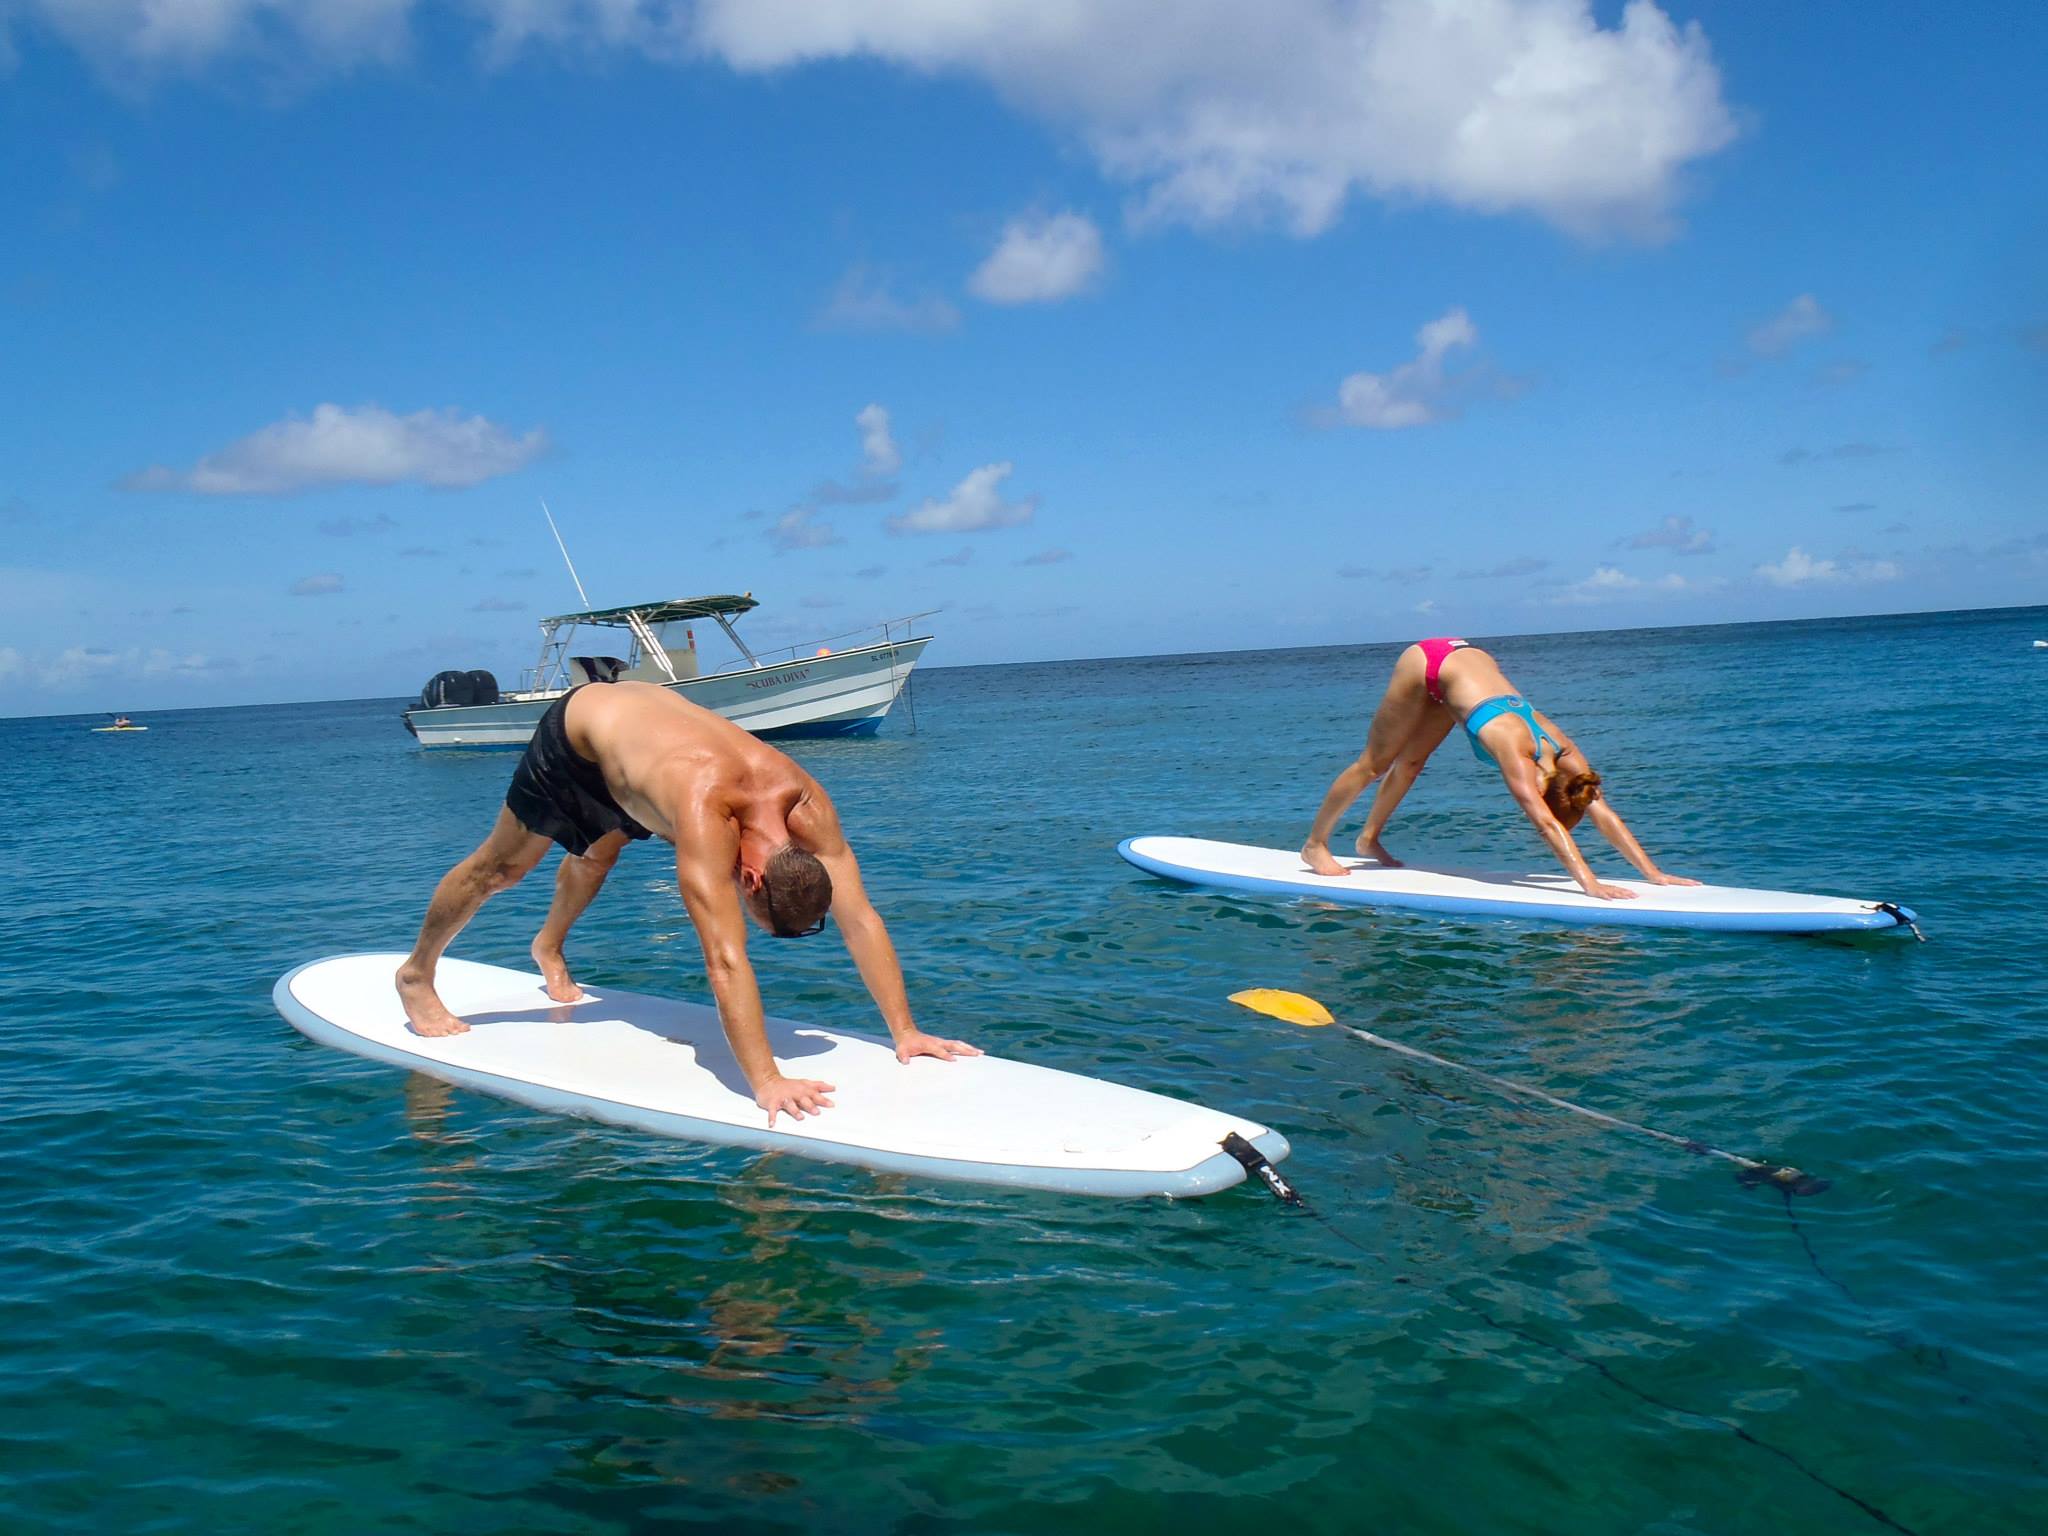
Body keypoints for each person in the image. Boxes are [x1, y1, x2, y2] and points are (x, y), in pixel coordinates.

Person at [395, 681, 977, 1124]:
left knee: (600, 855)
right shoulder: (706, 815)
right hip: (582, 734)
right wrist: (767, 1080)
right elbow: (726, 961)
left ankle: (548, 947)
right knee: (505, 869)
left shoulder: (806, 806)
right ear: (750, 881)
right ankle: (417, 974)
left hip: (646, 755)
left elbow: (861, 918)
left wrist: (905, 1030)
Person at [1301, 637, 1697, 900]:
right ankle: (1315, 845)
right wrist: (1589, 884)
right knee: (1375, 765)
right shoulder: (1515, 753)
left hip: (1468, 660)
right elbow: (1546, 824)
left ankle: (1367, 840)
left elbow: (1603, 812)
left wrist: (1654, 873)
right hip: (1426, 662)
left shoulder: (1566, 755)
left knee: (1412, 764)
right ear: (1545, 791)